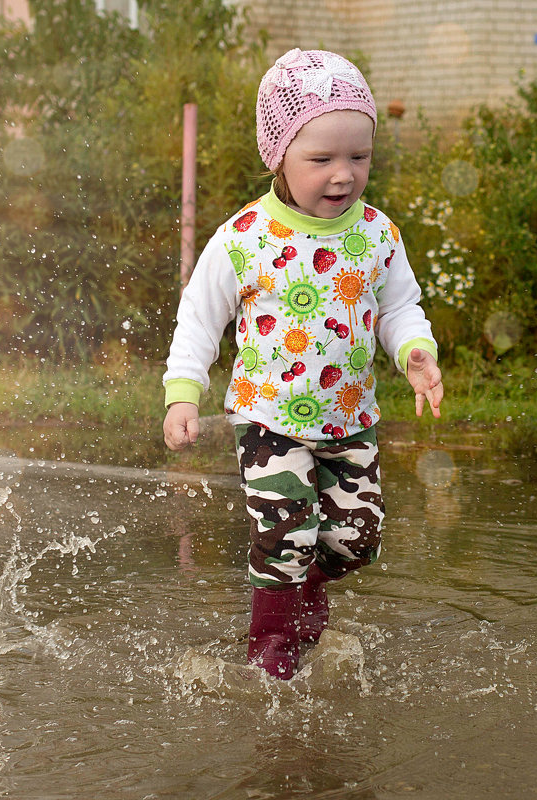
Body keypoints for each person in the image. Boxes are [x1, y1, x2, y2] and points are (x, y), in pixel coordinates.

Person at [162, 48, 443, 680]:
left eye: (359, 156)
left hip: (351, 423)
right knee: (285, 534)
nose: (343, 174)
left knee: (354, 542)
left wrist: (415, 352)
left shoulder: (377, 234)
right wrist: (184, 393)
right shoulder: (245, 237)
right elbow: (200, 320)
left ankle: (302, 586)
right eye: (322, 159)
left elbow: (400, 307)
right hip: (269, 422)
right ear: (279, 156)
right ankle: (272, 646)